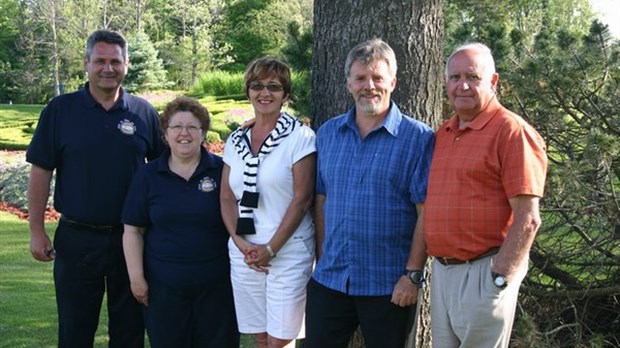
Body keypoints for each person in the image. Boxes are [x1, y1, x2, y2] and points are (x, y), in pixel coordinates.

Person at [26, 29, 164, 347]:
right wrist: (36, 229)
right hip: (76, 239)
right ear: (87, 63)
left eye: (115, 61)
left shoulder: (143, 113)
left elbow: (163, 172)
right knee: (75, 330)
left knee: (129, 331)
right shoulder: (60, 111)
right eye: (99, 60)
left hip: (131, 239)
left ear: (126, 65)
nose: (107, 68)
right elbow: (41, 170)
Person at [304, 38, 435, 348]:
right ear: (349, 83)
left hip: (389, 283)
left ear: (393, 81)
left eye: (377, 77)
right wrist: (323, 258)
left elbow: (425, 212)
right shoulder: (328, 134)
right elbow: (321, 199)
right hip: (331, 279)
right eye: (361, 78)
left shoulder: (418, 138)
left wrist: (413, 274)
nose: (369, 86)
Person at [423, 42, 548, 348]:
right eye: (455, 77)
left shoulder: (512, 132)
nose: (462, 85)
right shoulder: (444, 133)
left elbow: (528, 219)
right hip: (442, 273)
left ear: (493, 81)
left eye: (472, 76)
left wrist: (499, 279)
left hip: (483, 273)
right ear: (445, 83)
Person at [122, 96, 239, 347]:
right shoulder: (148, 175)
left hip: (218, 288)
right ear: (165, 133)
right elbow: (133, 230)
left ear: (203, 133)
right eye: (176, 127)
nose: (184, 134)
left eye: (192, 127)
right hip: (164, 290)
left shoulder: (223, 171)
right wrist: (136, 278)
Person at [220, 57, 316, 348]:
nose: (265, 93)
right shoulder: (236, 140)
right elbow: (226, 196)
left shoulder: (299, 137)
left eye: (274, 87)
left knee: (280, 340)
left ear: (286, 95)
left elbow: (302, 199)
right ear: (247, 91)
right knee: (261, 336)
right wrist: (240, 242)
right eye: (257, 86)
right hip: (245, 251)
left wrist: (271, 248)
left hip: (287, 251)